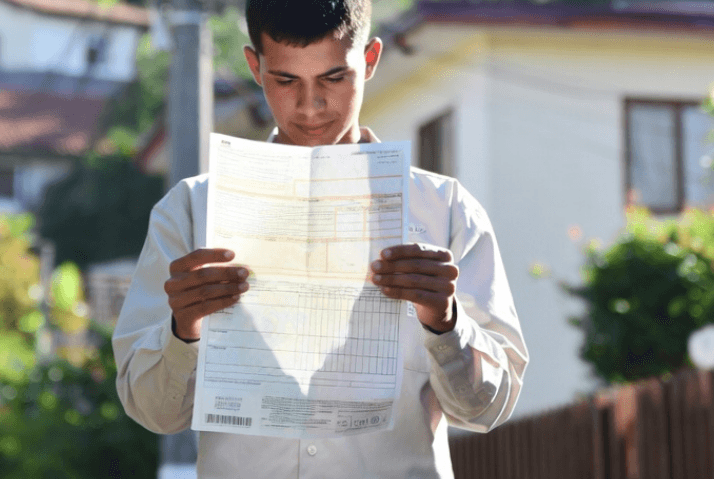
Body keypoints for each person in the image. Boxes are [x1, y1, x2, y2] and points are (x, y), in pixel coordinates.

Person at [112, 0, 529, 477]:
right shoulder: (191, 212)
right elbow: (153, 413)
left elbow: (487, 410)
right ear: (255, 66)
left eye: (333, 78)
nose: (310, 106)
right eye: (286, 80)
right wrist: (182, 331)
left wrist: (446, 322)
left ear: (370, 60)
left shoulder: (445, 211)